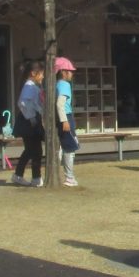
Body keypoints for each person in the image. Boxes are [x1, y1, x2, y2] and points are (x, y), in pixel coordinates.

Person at [10, 60, 46, 187]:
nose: (43, 77)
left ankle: (29, 176)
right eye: (41, 74)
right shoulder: (29, 86)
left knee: (33, 150)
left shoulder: (32, 86)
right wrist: (32, 118)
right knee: (33, 150)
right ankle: (29, 177)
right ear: (33, 73)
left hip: (31, 119)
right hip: (29, 121)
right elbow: (23, 103)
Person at [54, 57, 79, 187]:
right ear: (63, 72)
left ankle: (58, 174)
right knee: (70, 147)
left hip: (57, 118)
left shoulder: (55, 84)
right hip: (65, 117)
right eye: (70, 71)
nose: (72, 73)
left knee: (61, 147)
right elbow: (60, 104)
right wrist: (64, 120)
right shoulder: (64, 85)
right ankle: (69, 177)